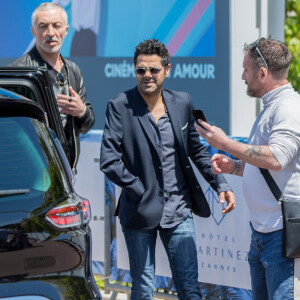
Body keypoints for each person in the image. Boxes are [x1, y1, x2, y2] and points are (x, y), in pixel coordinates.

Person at [100, 39, 235, 300]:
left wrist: (221, 184)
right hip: (139, 209)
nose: (147, 75)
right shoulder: (119, 105)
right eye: (141, 70)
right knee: (143, 287)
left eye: (154, 70)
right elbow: (109, 160)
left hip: (179, 210)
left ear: (167, 69)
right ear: (134, 71)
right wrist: (140, 190)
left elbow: (196, 151)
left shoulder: (182, 102)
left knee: (189, 287)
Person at [195, 37, 300, 299]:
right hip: (264, 232)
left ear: (262, 73)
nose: (243, 76)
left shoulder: (287, 108)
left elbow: (277, 158)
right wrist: (235, 167)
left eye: (246, 70)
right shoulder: (273, 106)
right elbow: (269, 166)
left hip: (280, 234)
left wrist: (225, 144)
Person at [10, 2, 95, 172]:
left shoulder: (73, 70)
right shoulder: (19, 73)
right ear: (33, 31)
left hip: (67, 172)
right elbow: (11, 129)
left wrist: (82, 111)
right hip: (32, 171)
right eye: (43, 26)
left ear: (66, 30)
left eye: (56, 25)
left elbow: (87, 125)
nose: (50, 33)